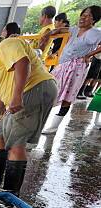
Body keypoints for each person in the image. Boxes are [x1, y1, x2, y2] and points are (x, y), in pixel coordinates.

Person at [0, 29, 57, 195]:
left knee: (16, 142)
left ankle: (11, 192)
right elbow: (4, 87)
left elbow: (23, 62)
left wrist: (17, 96)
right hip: (26, 93)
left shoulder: (6, 44)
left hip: (33, 90)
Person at [41, 6, 101, 134]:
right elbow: (63, 29)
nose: (83, 17)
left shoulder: (94, 33)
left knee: (68, 95)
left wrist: (89, 55)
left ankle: (53, 127)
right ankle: (41, 121)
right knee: (50, 90)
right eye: (83, 14)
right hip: (62, 65)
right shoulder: (75, 29)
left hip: (77, 68)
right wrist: (49, 33)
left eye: (88, 15)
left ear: (94, 20)